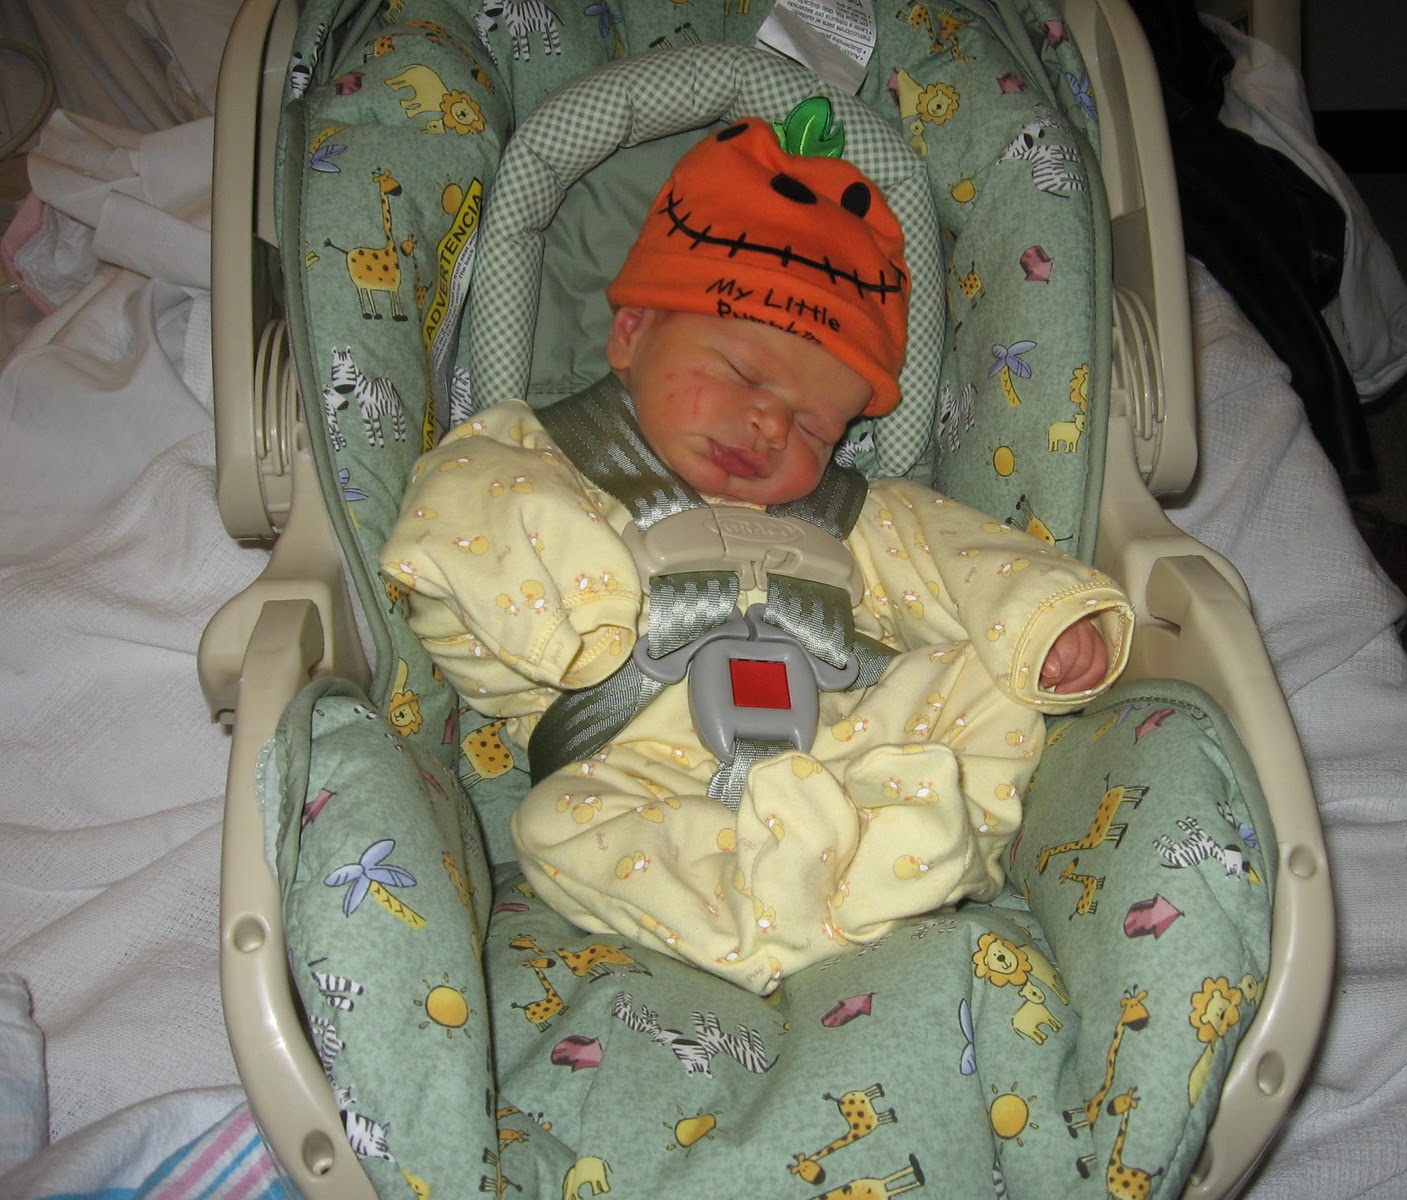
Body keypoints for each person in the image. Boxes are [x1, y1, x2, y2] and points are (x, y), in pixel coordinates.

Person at [380, 115, 1133, 993]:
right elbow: (456, 523)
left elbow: (961, 557)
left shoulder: (852, 514)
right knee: (555, 825)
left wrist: (1045, 620)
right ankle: (789, 900)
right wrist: (573, 619)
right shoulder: (534, 455)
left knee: (990, 690)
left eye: (815, 425)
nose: (771, 425)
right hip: (638, 774)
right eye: (742, 374)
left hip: (847, 752)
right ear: (631, 334)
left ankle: (878, 856)